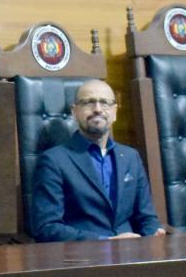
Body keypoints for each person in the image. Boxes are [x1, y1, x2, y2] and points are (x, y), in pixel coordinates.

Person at [29, 78, 166, 241]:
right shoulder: (53, 161)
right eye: (88, 102)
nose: (98, 109)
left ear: (114, 112)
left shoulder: (131, 157)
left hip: (133, 254)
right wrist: (106, 242)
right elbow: (46, 228)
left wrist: (153, 234)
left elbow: (146, 217)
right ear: (74, 112)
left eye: (105, 102)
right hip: (82, 259)